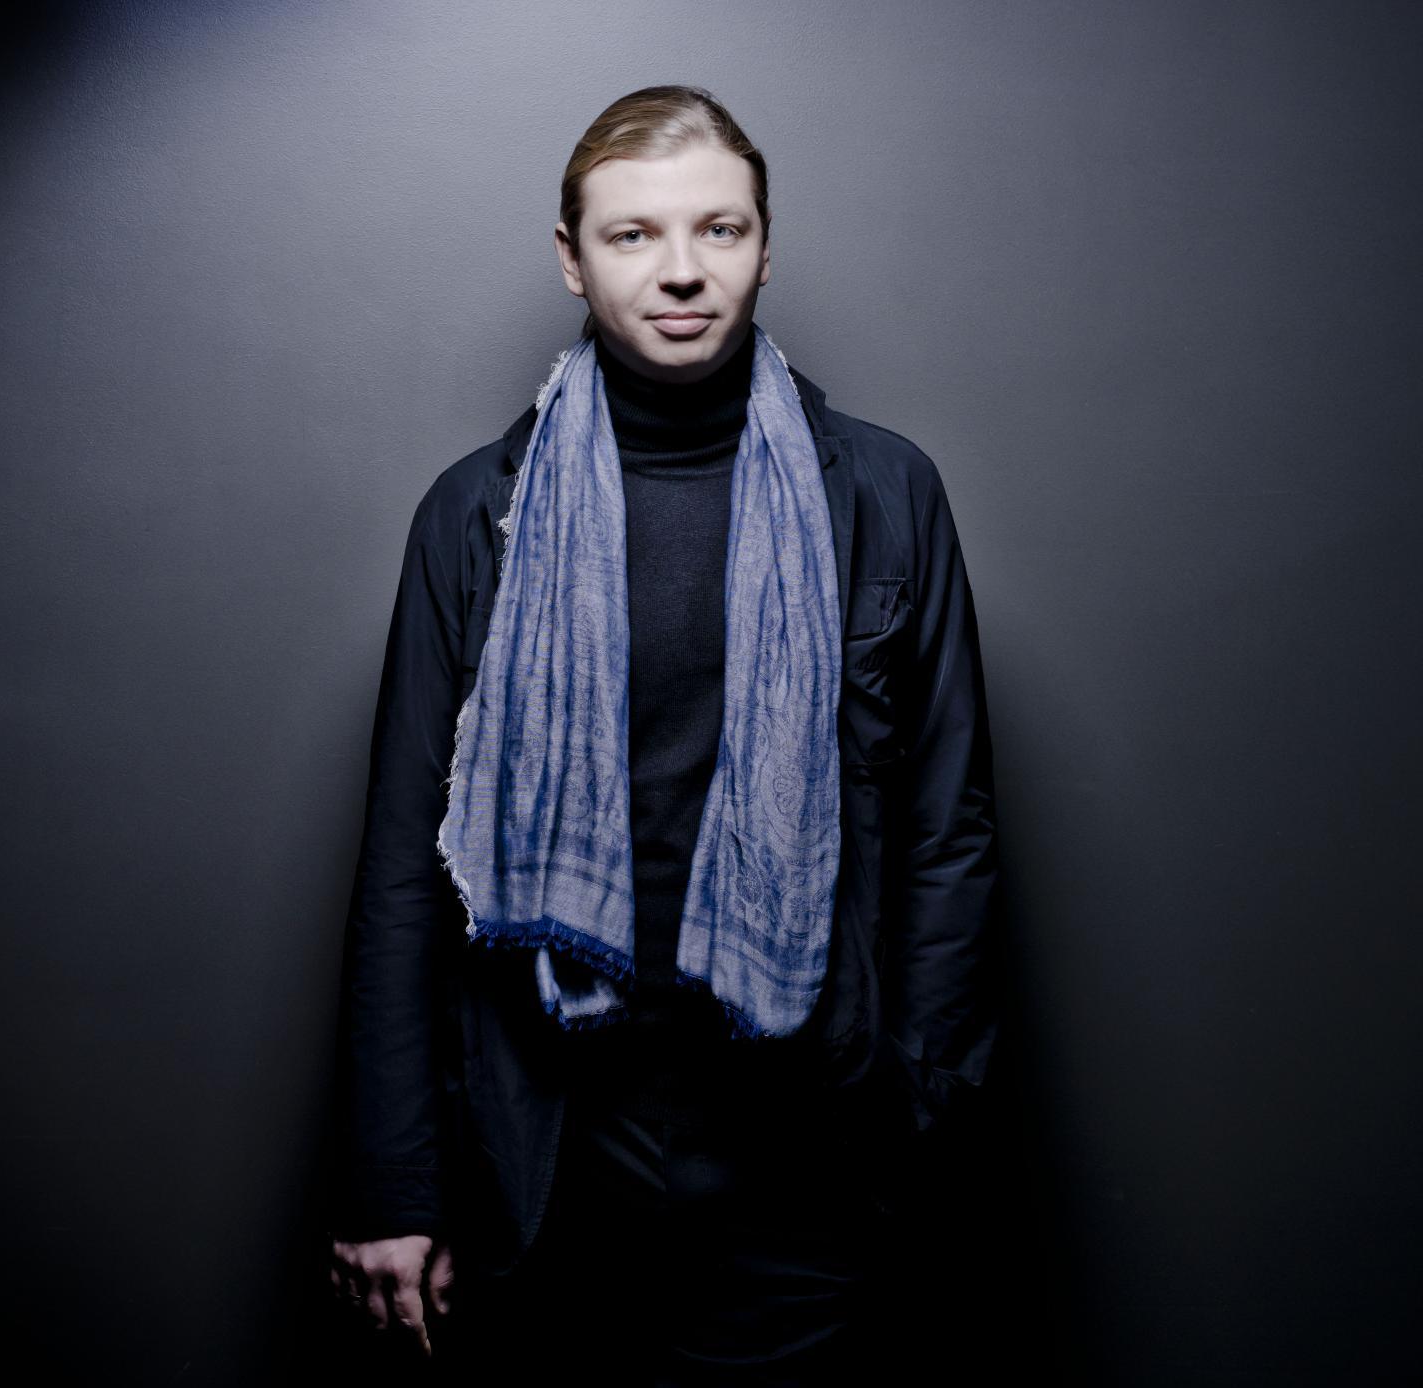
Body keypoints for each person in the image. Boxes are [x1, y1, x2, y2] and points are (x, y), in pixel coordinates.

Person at [324, 84, 1003, 1383]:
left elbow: (947, 834)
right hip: (549, 1144)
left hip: (811, 1145)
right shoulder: (474, 515)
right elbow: (403, 865)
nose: (681, 270)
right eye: (632, 234)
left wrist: (914, 1109)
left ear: (764, 247)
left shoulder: (887, 494)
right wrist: (390, 1181)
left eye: (718, 229)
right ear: (570, 259)